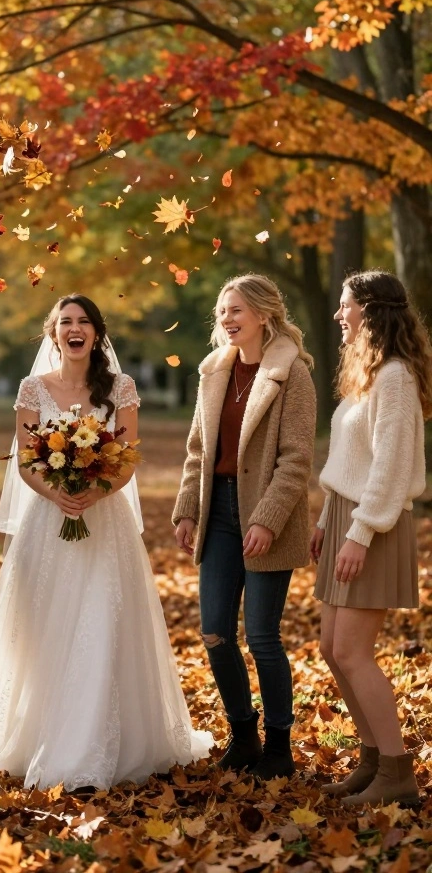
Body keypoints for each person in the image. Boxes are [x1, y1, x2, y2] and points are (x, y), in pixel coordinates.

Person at [0, 294, 213, 791]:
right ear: (53, 333)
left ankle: (100, 743)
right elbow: (24, 461)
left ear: (97, 333)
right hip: (48, 522)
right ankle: (40, 730)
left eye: (83, 321)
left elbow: (125, 457)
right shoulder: (32, 388)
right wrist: (60, 494)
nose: (74, 328)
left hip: (106, 524)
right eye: (65, 322)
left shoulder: (121, 388)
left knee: (104, 619)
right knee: (44, 627)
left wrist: (93, 491)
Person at [174, 274, 316, 780]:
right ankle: (243, 736)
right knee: (214, 631)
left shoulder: (292, 373)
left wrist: (268, 520)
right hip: (218, 514)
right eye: (221, 313)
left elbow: (297, 460)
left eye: (235, 310)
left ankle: (280, 746)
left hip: (266, 515)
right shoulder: (213, 370)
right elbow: (197, 451)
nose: (227, 320)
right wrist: (188, 508)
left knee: (262, 636)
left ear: (262, 314)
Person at [310, 270, 431, 806]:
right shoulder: (369, 374)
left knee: (354, 653)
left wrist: (358, 533)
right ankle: (373, 759)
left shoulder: (397, 378)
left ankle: (397, 774)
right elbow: (351, 460)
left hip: (373, 523)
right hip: (345, 516)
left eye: (345, 306)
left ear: (371, 309)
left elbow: (389, 466)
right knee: (332, 650)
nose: (340, 314)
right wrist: (325, 523)